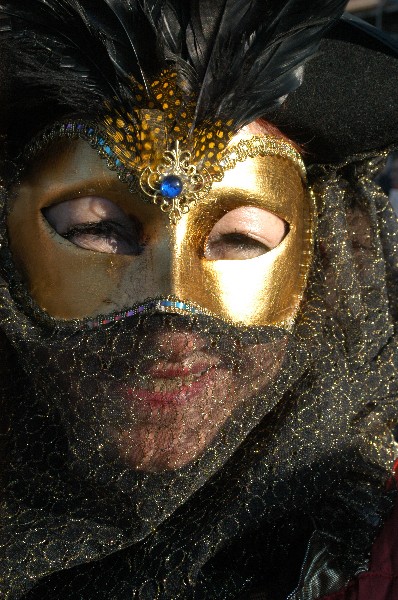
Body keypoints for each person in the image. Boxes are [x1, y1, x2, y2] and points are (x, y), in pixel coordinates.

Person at [0, 1, 397, 599]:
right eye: (98, 231)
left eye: (241, 240)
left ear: (325, 262)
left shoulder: (372, 551)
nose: (172, 323)